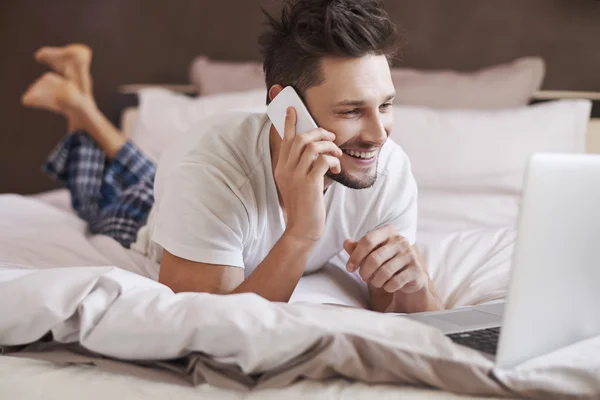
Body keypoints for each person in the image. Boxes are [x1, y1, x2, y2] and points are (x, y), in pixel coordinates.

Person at [22, 0, 443, 313]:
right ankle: (78, 105)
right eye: (352, 111)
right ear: (285, 108)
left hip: (193, 187)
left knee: (141, 170)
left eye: (385, 106)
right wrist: (301, 233)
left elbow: (402, 309)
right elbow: (206, 322)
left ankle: (79, 94)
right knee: (99, 191)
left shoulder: (387, 167)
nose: (377, 135)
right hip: (143, 218)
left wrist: (414, 284)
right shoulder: (208, 168)